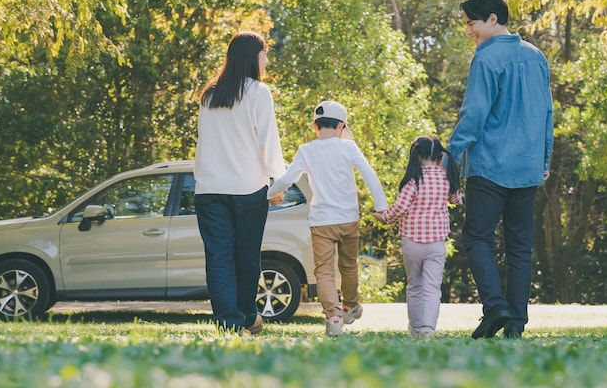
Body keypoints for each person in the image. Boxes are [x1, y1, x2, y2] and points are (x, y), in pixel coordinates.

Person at [446, 0, 553, 339]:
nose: (469, 30)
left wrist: (451, 155)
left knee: (477, 237)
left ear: (493, 19)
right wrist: (545, 159)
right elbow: (546, 114)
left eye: (471, 23)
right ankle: (516, 323)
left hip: (489, 165)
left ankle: (495, 307)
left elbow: (474, 114)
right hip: (527, 168)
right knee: (519, 246)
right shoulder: (536, 56)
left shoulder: (486, 57)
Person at [268, 100, 388, 337]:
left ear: (315, 126)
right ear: (342, 126)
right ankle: (350, 306)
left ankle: (333, 318)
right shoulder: (348, 148)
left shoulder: (306, 150)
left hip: (321, 221)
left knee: (323, 271)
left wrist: (271, 194)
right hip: (348, 218)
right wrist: (381, 206)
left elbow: (287, 179)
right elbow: (369, 174)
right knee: (348, 265)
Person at [194, 31, 286, 334]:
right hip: (247, 188)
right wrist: (278, 183)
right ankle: (246, 316)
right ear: (251, 57)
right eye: (264, 54)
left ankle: (232, 321)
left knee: (218, 259)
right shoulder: (259, 92)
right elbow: (268, 141)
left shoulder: (209, 94)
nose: (267, 60)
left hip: (209, 189)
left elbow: (204, 143)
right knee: (246, 257)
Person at [374, 136, 463, 339]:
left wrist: (384, 217)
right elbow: (457, 199)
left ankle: (415, 327)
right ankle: (428, 328)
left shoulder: (414, 180)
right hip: (436, 242)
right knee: (432, 287)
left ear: (417, 155)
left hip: (412, 241)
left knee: (414, 285)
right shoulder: (446, 178)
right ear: (439, 156)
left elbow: (400, 208)